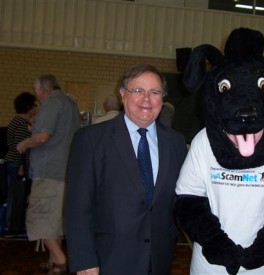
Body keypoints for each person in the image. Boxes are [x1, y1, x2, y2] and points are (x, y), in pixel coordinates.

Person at [65, 64, 187, 274]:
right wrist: (84, 260)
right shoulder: (91, 140)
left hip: (158, 259)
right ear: (122, 94)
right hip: (109, 259)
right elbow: (77, 206)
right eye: (138, 90)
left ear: (162, 99)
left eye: (154, 92)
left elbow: (182, 198)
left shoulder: (176, 142)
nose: (146, 99)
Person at [16, 75, 81, 274]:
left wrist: (24, 143)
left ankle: (60, 261)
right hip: (66, 171)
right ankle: (54, 259)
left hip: (48, 171)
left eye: (36, 92)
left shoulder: (51, 103)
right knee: (54, 220)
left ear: (42, 90)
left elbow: (42, 137)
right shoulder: (70, 104)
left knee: (40, 217)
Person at [4, 92, 37, 235]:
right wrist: (21, 167)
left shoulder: (16, 121)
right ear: (28, 106)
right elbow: (20, 147)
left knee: (16, 196)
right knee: (17, 197)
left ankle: (13, 226)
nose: (36, 108)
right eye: (34, 105)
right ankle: (14, 228)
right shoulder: (22, 124)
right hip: (17, 165)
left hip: (14, 163)